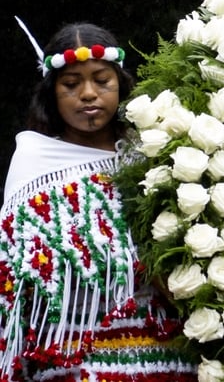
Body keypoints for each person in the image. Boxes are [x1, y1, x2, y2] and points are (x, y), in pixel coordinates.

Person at [0, 22, 197, 381]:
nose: (88, 94)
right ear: (52, 94)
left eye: (101, 80)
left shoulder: (154, 153)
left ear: (120, 85)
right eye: (71, 85)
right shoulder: (34, 164)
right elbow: (17, 285)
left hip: (169, 352)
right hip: (72, 356)